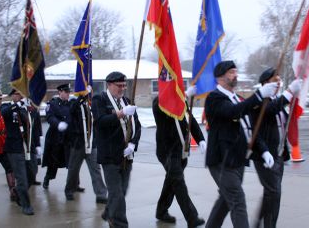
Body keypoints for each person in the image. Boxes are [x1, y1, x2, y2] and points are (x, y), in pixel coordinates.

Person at [204, 61, 278, 228]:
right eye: (231, 72)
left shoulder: (238, 99)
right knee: (238, 200)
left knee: (225, 200)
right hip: (222, 161)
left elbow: (250, 129)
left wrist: (264, 151)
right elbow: (232, 112)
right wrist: (258, 95)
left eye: (236, 71)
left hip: (237, 160)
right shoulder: (214, 99)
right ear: (220, 78)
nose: (235, 75)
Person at [250, 68, 302, 228]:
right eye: (275, 80)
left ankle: (258, 222)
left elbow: (281, 120)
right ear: (265, 83)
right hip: (264, 156)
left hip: (278, 155)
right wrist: (289, 92)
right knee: (274, 192)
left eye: (279, 79)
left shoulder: (275, 99)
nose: (279, 82)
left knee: (270, 193)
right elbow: (271, 110)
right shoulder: (258, 101)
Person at [92, 71, 141, 227]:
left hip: (127, 156)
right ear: (109, 85)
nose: (122, 89)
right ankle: (119, 223)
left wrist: (133, 143)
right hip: (110, 156)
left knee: (122, 191)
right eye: (119, 86)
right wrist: (120, 113)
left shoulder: (126, 100)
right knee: (117, 194)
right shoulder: (99, 99)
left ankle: (109, 212)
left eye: (124, 86)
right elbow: (100, 121)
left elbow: (137, 126)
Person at [152, 92, 206, 227]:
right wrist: (177, 96)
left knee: (171, 181)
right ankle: (192, 217)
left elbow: (190, 120)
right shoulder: (160, 102)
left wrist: (201, 140)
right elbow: (160, 107)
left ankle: (161, 211)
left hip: (181, 150)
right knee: (178, 182)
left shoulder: (182, 102)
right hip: (167, 151)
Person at [64, 90, 108, 204]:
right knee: (73, 169)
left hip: (91, 142)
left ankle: (101, 194)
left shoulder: (90, 104)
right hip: (78, 143)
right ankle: (69, 190)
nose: (89, 94)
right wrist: (80, 98)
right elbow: (71, 111)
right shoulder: (74, 103)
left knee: (96, 169)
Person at [1, 89, 38, 215]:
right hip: (15, 148)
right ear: (13, 96)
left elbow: (35, 127)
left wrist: (38, 145)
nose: (20, 96)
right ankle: (26, 204)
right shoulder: (8, 107)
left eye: (22, 93)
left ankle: (17, 191)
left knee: (32, 174)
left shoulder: (30, 108)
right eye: (17, 94)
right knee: (21, 178)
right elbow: (3, 113)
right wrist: (17, 105)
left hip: (29, 147)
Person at [42, 84, 72, 189]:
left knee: (71, 161)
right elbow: (50, 117)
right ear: (60, 92)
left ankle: (74, 183)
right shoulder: (53, 104)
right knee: (53, 161)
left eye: (69, 92)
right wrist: (58, 124)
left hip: (67, 137)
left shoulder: (70, 104)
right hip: (55, 137)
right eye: (66, 92)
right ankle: (47, 178)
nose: (68, 94)